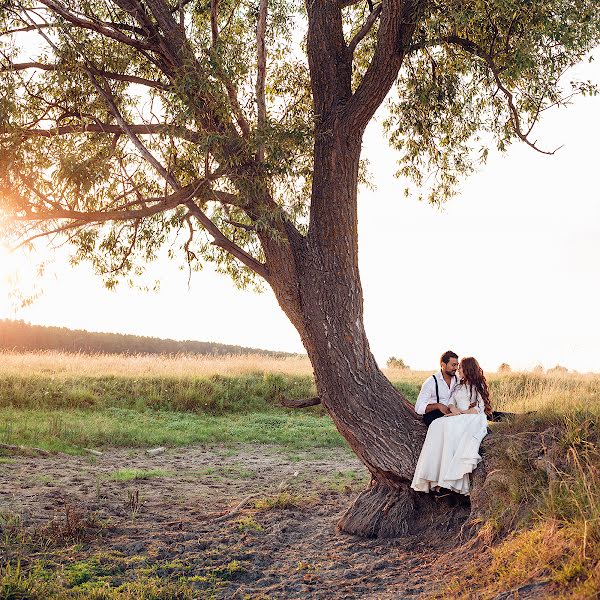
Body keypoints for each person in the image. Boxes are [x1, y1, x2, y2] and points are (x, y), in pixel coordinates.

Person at [411, 356, 491, 495]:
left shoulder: (477, 386)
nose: (457, 369)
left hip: (472, 417)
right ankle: (433, 475)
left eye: (459, 367)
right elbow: (451, 401)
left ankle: (451, 476)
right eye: (455, 365)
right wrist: (454, 410)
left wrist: (465, 412)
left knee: (452, 428)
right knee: (437, 425)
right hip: (457, 415)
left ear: (468, 369)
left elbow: (481, 406)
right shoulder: (457, 385)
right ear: (443, 364)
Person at [414, 350, 460, 426]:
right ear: (443, 365)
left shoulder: (458, 381)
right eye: (453, 365)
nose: (456, 368)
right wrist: (438, 406)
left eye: (457, 365)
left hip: (453, 415)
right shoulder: (430, 382)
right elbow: (418, 408)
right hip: (435, 416)